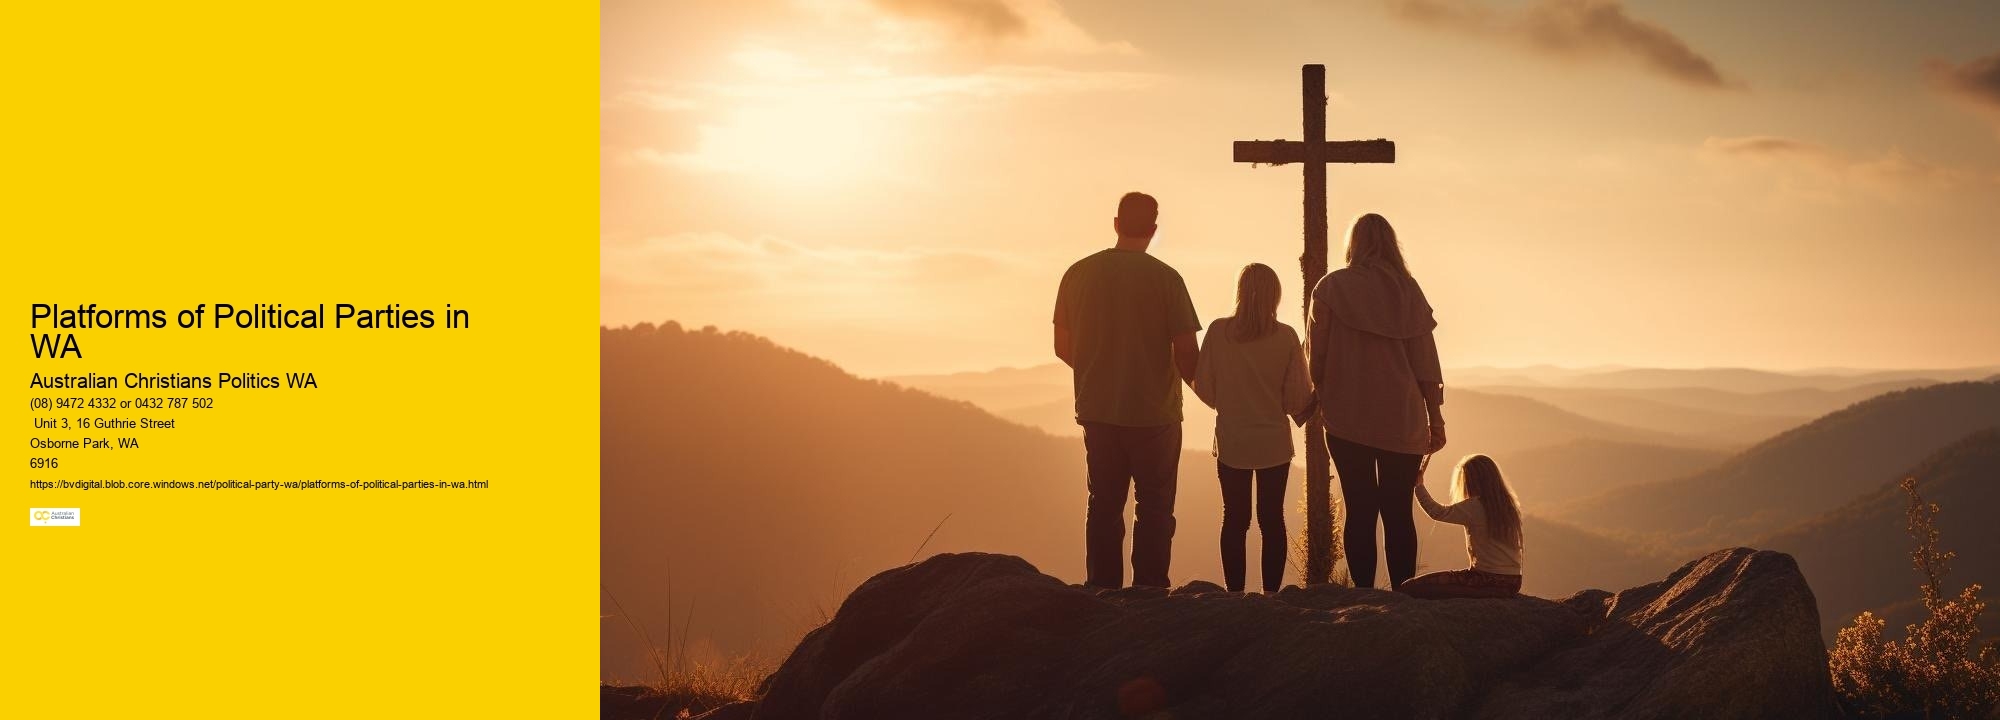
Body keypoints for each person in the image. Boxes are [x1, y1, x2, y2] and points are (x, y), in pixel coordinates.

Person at [1053, 191, 1201, 589]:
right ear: (1154, 230)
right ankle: (1149, 592)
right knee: (1154, 508)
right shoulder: (1167, 280)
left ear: (1116, 224)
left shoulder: (1078, 274)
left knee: (1103, 505)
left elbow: (1063, 347)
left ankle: (1102, 590)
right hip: (1156, 412)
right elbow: (1187, 351)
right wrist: (1211, 391)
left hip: (1098, 409)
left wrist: (1099, 373)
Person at [1308, 212, 1445, 591]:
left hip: (1346, 415)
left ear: (1353, 244)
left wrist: (1320, 391)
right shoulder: (1408, 291)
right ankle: (1405, 592)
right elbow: (1426, 363)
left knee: (1360, 508)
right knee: (1399, 510)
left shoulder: (1330, 288)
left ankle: (1364, 594)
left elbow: (1315, 357)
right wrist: (1436, 417)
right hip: (1401, 417)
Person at [1192, 263, 1314, 593]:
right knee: (1271, 519)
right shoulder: (1286, 336)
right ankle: (1271, 595)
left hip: (1232, 440)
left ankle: (1235, 594)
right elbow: (1297, 398)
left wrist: (1229, 403)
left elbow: (1203, 387)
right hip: (1273, 441)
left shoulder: (1218, 332)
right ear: (1275, 295)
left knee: (1234, 518)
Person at [1404, 454, 1524, 599]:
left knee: (1410, 587)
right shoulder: (1508, 507)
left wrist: (1418, 486)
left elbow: (1438, 512)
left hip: (1483, 579)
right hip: (1513, 581)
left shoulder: (1475, 506)